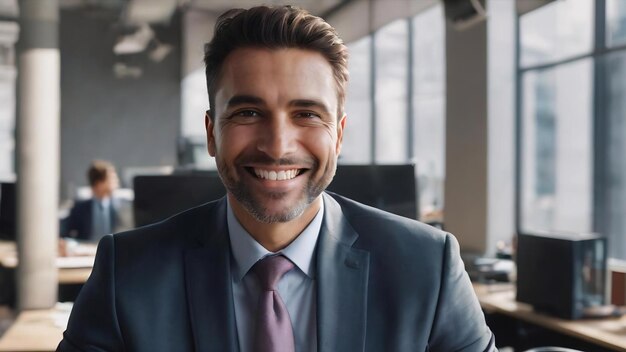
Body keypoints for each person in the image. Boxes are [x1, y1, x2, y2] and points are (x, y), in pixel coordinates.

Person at [57, 6, 496, 352]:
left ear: (338, 135)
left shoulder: (426, 267)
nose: (278, 144)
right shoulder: (129, 273)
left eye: (306, 113)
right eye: (248, 113)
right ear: (212, 134)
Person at [62, 160, 131, 242]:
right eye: (111, 179)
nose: (116, 182)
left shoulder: (122, 207)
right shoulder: (79, 208)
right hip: (86, 251)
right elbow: (64, 233)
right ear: (99, 184)